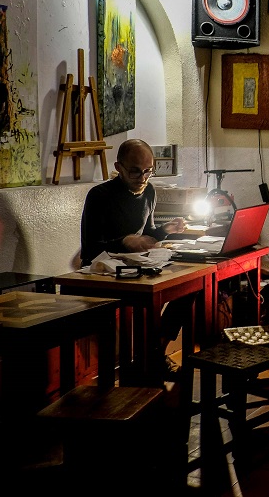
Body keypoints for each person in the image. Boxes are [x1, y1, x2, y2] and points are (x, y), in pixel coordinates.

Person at [80, 138, 187, 376]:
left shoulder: (149, 190)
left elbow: (146, 234)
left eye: (148, 171)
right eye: (135, 172)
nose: (142, 178)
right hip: (103, 271)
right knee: (149, 297)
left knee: (188, 288)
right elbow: (88, 250)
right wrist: (124, 241)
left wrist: (164, 230)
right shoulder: (99, 196)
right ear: (118, 167)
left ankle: (155, 348)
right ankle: (147, 359)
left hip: (137, 266)